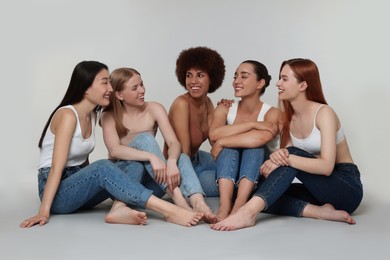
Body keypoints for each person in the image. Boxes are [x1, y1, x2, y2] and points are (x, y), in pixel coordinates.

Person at [20, 61, 203, 228]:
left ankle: (119, 208)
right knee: (103, 167)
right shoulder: (68, 115)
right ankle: (170, 211)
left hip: (79, 188)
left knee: (133, 161)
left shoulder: (92, 115)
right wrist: (44, 211)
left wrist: (95, 179)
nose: (109, 88)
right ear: (86, 87)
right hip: (58, 194)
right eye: (104, 82)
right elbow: (56, 169)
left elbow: (82, 163)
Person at [210, 58, 363, 231]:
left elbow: (326, 167)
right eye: (279, 78)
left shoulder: (324, 113)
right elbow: (283, 157)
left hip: (346, 188)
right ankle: (317, 212)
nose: (277, 83)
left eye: (284, 79)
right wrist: (278, 159)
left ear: (303, 85)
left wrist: (283, 159)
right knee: (257, 192)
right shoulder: (287, 118)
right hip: (317, 191)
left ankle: (248, 213)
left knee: (291, 154)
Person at [100, 67, 216, 223]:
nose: (142, 90)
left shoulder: (154, 108)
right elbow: (114, 150)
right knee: (145, 140)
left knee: (181, 156)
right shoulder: (108, 116)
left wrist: (172, 162)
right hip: (125, 182)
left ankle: (198, 202)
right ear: (119, 95)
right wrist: (151, 156)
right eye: (135, 88)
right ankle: (180, 202)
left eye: (142, 84)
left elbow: (173, 142)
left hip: (156, 181)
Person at [209, 60, 280, 221]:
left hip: (259, 175)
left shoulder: (272, 112)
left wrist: (222, 142)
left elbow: (262, 137)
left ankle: (240, 204)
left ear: (260, 83)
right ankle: (225, 205)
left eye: (244, 76)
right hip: (228, 176)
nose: (236, 81)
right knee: (230, 147)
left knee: (254, 147)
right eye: (235, 76)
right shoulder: (225, 107)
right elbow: (213, 135)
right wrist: (253, 124)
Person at [164, 46, 225, 197]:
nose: (193, 81)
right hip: (183, 167)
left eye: (200, 75)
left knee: (233, 162)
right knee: (232, 183)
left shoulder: (208, 102)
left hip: (199, 159)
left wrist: (223, 112)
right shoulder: (181, 104)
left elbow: (216, 139)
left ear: (212, 78)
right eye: (189, 75)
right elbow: (183, 155)